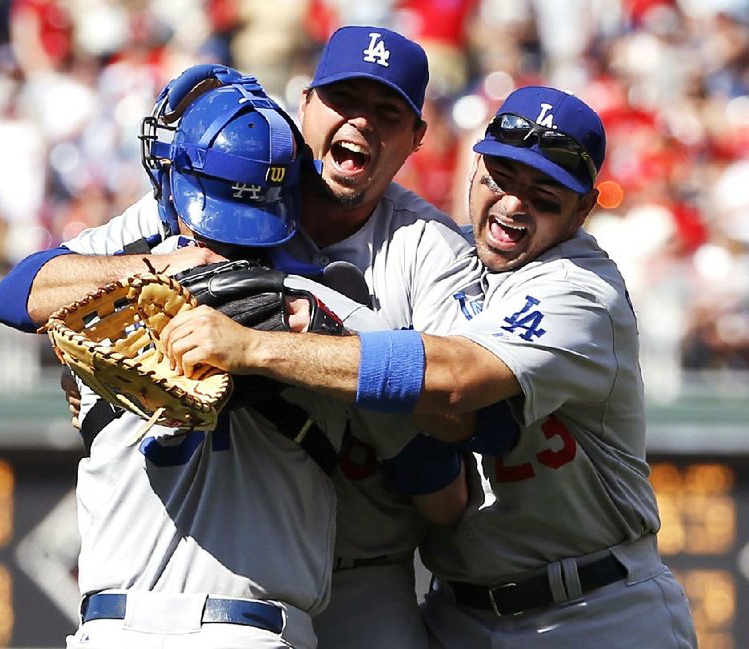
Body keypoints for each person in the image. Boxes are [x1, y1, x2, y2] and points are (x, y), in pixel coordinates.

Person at [158, 85, 699, 648]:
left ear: (583, 209)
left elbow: (457, 382)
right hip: (458, 614)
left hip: (595, 612)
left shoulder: (580, 292)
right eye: (502, 177)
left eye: (544, 194)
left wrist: (255, 348)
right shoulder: (443, 261)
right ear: (477, 166)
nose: (513, 205)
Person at [0, 69, 470, 649]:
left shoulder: (97, 301)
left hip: (109, 628)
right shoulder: (323, 313)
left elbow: (15, 295)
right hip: (255, 628)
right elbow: (442, 490)